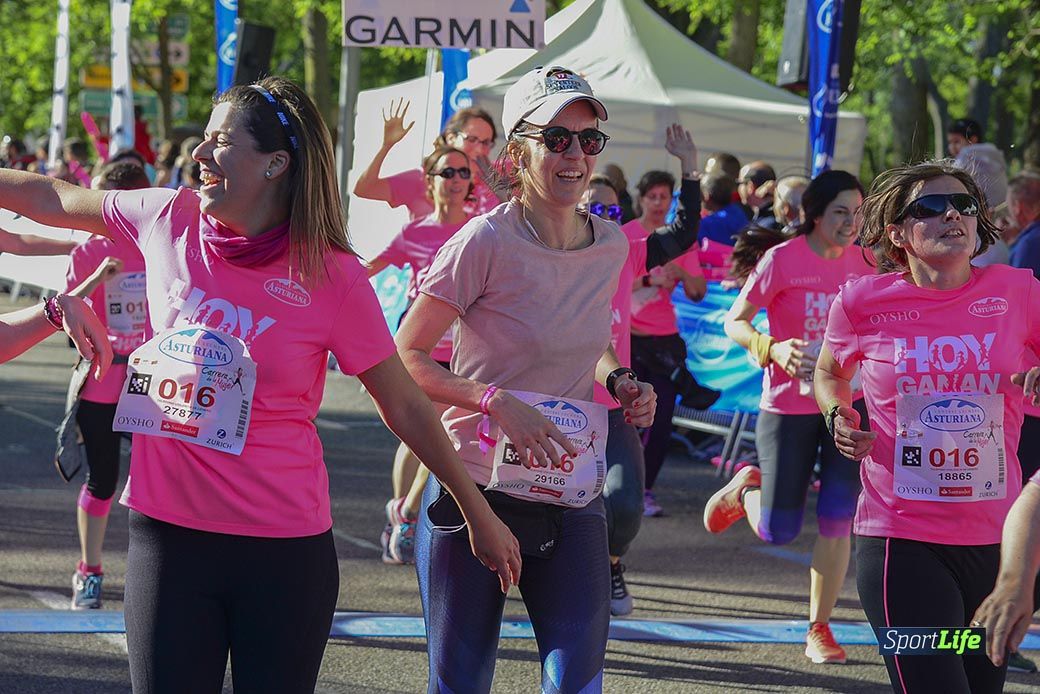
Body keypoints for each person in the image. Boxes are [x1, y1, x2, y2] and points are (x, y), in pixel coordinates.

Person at [0, 76, 520, 694]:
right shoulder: (167, 215)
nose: (199, 153)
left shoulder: (331, 275)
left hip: (283, 551)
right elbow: (53, 196)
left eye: (220, 142)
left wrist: (478, 512)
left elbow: (404, 403)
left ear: (275, 163)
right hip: (168, 540)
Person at [395, 65, 656, 693]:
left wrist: (621, 379)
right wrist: (492, 400)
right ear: (517, 154)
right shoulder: (483, 241)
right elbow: (405, 355)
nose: (575, 155)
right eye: (556, 139)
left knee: (576, 684)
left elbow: (591, 340)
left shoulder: (610, 246)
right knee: (460, 684)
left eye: (588, 140)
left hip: (568, 487)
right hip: (475, 487)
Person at [815, 160, 1035, 693]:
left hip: (997, 541)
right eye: (931, 207)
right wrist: (837, 413)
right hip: (901, 539)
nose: (952, 215)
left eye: (964, 205)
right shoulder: (861, 302)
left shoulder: (1019, 291)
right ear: (897, 233)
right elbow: (829, 372)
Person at [707, 170, 872, 665]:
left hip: (847, 405)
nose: (850, 223)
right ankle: (746, 490)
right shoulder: (783, 259)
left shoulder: (867, 262)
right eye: (840, 212)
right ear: (815, 214)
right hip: (788, 406)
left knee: (838, 519)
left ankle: (819, 627)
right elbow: (735, 321)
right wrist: (771, 347)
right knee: (778, 530)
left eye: (858, 213)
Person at [581, 122, 703, 615]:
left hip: (611, 406)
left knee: (626, 503)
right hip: (550, 403)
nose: (603, 218)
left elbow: (683, 234)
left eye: (612, 211)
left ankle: (612, 563)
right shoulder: (546, 256)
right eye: (593, 209)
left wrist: (689, 169)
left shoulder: (626, 252)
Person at [366, 144, 477, 564]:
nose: (456, 180)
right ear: (430, 181)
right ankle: (402, 513)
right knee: (415, 436)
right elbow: (366, 270)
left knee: (442, 436)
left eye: (463, 172)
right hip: (420, 351)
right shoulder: (414, 233)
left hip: (465, 353)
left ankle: (407, 514)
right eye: (447, 172)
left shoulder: (479, 230)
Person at [62, 161, 151, 610]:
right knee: (103, 480)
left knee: (158, 483)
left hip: (153, 384)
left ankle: (159, 574)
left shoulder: (160, 245)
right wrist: (98, 277)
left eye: (100, 198)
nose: (89, 206)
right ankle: (89, 571)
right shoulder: (87, 252)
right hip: (101, 381)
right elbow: (65, 316)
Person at [626, 170, 716, 517]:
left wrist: (683, 274)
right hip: (627, 339)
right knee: (624, 418)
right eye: (653, 196)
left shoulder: (679, 241)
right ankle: (615, 486)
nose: (659, 203)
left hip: (664, 340)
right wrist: (650, 279)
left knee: (660, 419)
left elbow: (698, 292)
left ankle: (645, 490)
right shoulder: (626, 235)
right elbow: (612, 285)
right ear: (641, 199)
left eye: (664, 197)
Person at [353, 100, 502, 219]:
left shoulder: (498, 173)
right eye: (472, 139)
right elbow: (364, 189)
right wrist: (386, 145)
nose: (480, 149)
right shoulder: (422, 178)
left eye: (486, 142)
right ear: (451, 138)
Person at [947, 117, 1008, 208]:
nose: (952, 147)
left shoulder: (967, 153)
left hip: (981, 209)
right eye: (950, 142)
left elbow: (952, 180)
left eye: (956, 142)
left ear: (973, 140)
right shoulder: (993, 152)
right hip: (1002, 206)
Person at [737, 161, 778, 228]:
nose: (738, 188)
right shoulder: (778, 216)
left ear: (751, 186)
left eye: (740, 184)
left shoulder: (766, 225)